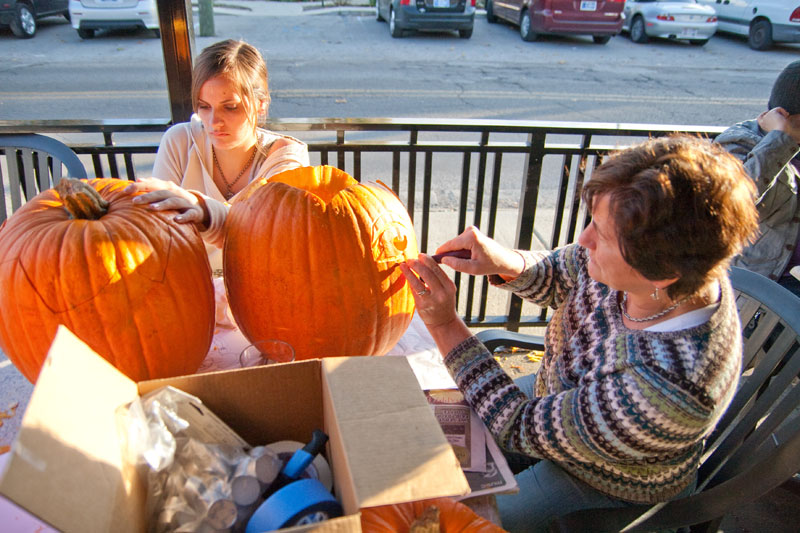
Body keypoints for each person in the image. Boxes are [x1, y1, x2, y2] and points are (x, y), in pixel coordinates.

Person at [400, 136, 759, 531]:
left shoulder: (667, 389)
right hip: (553, 400)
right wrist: (506, 262)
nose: (584, 239)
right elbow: (562, 272)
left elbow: (517, 425)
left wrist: (444, 324)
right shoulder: (654, 270)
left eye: (601, 234)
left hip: (604, 478)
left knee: (467, 523)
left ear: (659, 273)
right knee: (424, 432)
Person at [125, 39, 310, 370]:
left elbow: (267, 239)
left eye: (231, 106)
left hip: (261, 311)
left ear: (262, 103)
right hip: (186, 304)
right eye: (204, 106)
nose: (213, 122)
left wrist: (205, 212)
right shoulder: (179, 141)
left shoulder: (286, 157)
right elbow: (153, 232)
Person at [714, 60, 800, 296]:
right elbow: (735, 202)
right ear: (784, 116)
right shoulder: (738, 143)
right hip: (764, 287)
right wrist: (780, 140)